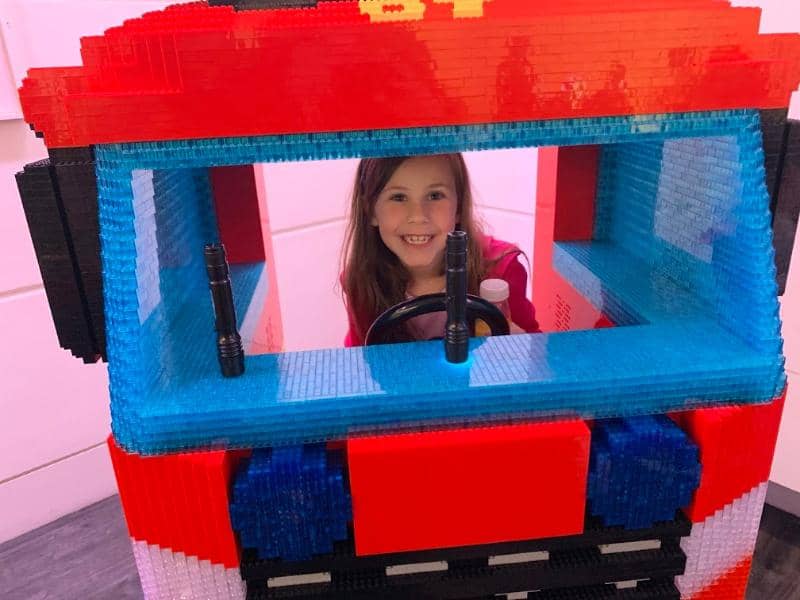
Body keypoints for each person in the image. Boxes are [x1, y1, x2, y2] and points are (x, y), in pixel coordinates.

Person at [341, 153, 539, 346]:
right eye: (399, 197)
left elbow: (536, 357)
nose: (418, 216)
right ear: (370, 211)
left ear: (459, 207)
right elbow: (359, 363)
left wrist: (519, 343)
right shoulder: (362, 281)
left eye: (435, 195)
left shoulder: (501, 269)